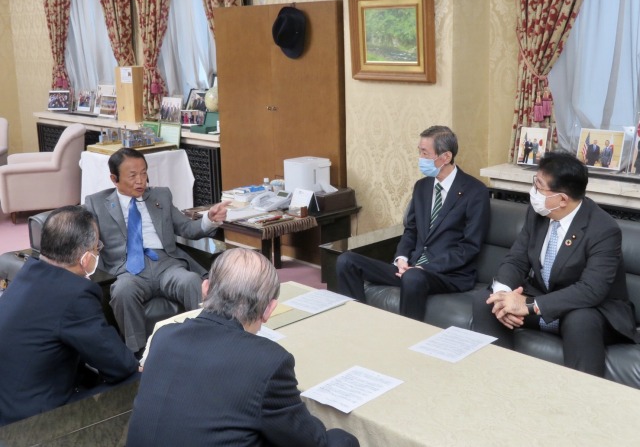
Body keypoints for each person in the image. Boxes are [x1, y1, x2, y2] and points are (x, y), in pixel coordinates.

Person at [126, 248, 359, 447]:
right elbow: (311, 440)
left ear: (205, 289)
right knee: (342, 441)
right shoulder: (268, 361)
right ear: (269, 310)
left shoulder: (164, 336)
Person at [472, 151, 638, 377]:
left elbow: (591, 290)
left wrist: (529, 306)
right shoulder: (538, 213)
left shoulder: (604, 230)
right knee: (487, 301)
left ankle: (581, 394)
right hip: (545, 298)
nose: (533, 191)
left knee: (579, 320)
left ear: (562, 199)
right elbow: (517, 259)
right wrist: (503, 296)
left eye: (539, 186)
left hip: (591, 308)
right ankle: (498, 378)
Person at [0, 206, 139, 427]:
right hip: (32, 421)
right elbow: (119, 364)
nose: (97, 252)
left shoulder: (27, 273)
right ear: (85, 258)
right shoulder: (75, 294)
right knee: (140, 380)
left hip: (10, 403)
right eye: (97, 247)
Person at [336, 125, 490, 321]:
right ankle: (356, 323)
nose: (420, 158)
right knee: (347, 261)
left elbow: (469, 247)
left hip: (447, 274)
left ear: (446, 157)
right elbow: (411, 230)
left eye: (425, 153)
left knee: (413, 277)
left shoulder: (475, 191)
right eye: (419, 152)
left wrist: (425, 268)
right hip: (411, 268)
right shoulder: (422, 187)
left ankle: (406, 335)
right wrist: (401, 258)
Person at [84, 147, 230, 354]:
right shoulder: (97, 203)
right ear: (114, 179)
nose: (140, 181)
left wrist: (209, 219)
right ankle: (138, 354)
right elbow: (87, 239)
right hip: (127, 269)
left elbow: (187, 228)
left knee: (191, 281)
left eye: (143, 173)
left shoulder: (161, 195)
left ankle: (206, 344)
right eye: (132, 176)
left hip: (167, 263)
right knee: (123, 291)